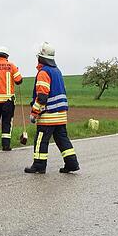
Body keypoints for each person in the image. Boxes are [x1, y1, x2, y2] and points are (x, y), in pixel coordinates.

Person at [24, 42, 79, 174]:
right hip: (61, 116)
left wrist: (34, 113)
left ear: (41, 57)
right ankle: (72, 164)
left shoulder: (44, 72)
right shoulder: (57, 71)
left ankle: (39, 166)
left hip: (48, 116)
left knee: (41, 141)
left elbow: (42, 97)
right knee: (63, 140)